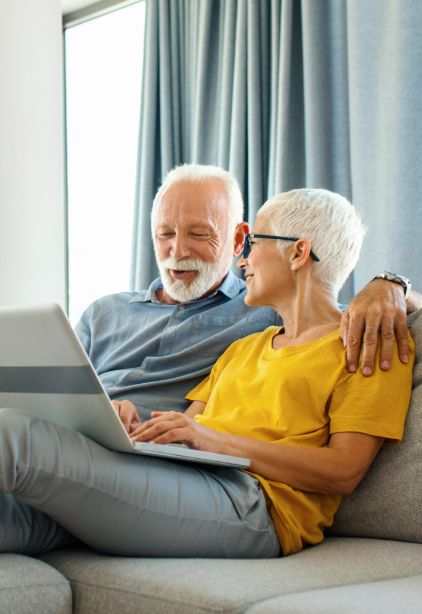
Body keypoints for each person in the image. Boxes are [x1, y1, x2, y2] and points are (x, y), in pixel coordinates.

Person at [0, 187, 414, 557]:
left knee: (12, 435)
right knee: (12, 517)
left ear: (298, 252)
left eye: (253, 243)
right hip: (184, 480)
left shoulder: (367, 346)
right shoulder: (244, 347)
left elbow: (344, 471)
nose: (244, 259)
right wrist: (125, 429)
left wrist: (392, 284)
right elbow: (184, 431)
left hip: (256, 507)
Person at [75, 164, 420, 426]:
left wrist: (390, 284)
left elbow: (336, 313)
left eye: (198, 234)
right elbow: (54, 397)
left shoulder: (264, 309)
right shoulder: (103, 312)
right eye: (164, 234)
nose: (177, 250)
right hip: (76, 440)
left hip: (144, 459)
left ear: (239, 239)